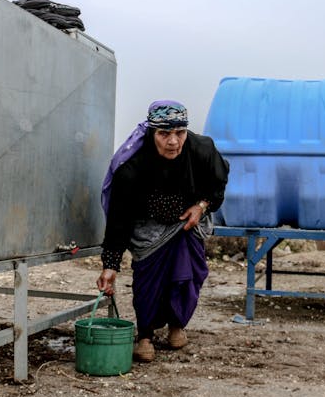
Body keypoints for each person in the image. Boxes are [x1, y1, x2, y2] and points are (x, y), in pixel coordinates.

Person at [97, 100, 229, 362]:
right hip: (149, 229)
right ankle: (145, 335)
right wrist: (110, 265)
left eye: (179, 133)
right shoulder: (132, 168)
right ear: (151, 133)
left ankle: (177, 326)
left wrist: (201, 206)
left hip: (187, 222)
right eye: (164, 134)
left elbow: (218, 182)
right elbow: (119, 220)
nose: (173, 142)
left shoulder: (202, 149)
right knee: (148, 282)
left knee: (187, 276)